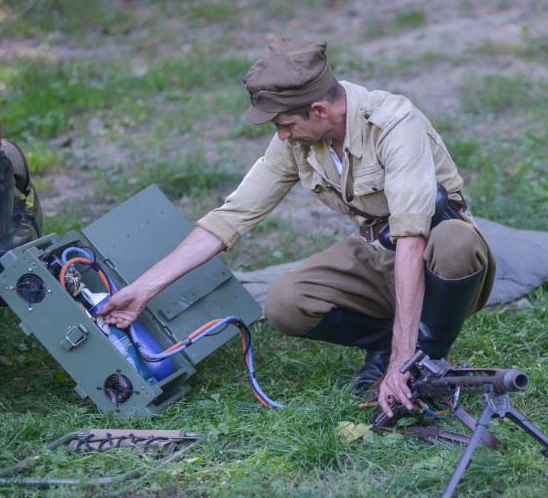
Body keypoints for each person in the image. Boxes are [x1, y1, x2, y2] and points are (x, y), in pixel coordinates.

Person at [100, 37, 495, 418]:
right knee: (286, 304)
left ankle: (423, 363)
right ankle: (390, 344)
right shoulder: (297, 141)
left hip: (437, 258)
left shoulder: (394, 124)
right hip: (380, 252)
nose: (282, 134)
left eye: (286, 124)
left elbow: (412, 240)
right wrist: (141, 290)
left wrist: (401, 360)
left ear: (320, 111)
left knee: (454, 240)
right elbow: (231, 217)